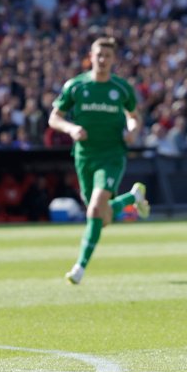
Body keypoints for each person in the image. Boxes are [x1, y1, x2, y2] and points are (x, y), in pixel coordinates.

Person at [48, 36, 150, 285]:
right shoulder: (76, 86)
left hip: (112, 155)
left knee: (95, 209)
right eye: (99, 55)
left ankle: (79, 267)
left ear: (113, 59)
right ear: (91, 57)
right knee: (101, 217)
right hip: (84, 156)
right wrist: (71, 129)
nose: (103, 60)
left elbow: (134, 117)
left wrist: (132, 130)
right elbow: (54, 118)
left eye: (107, 56)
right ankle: (131, 198)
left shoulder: (122, 88)